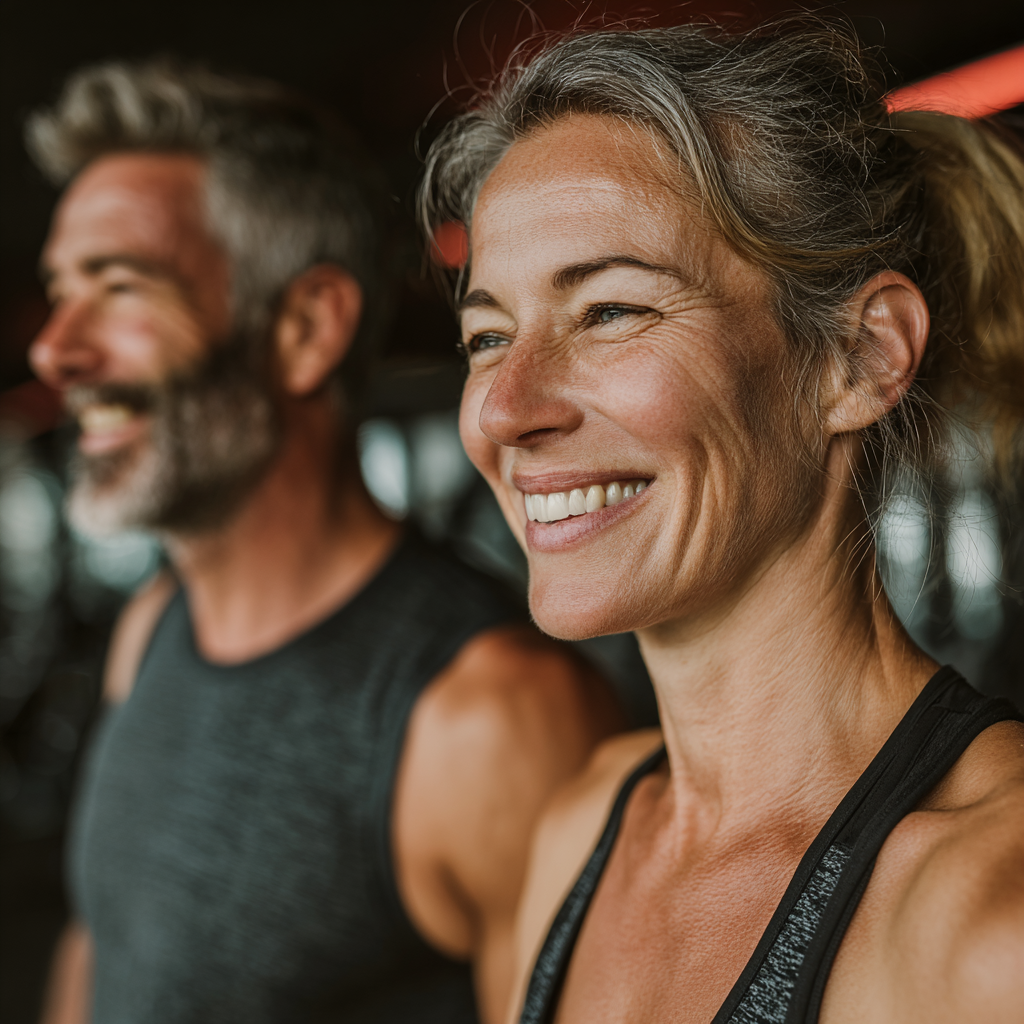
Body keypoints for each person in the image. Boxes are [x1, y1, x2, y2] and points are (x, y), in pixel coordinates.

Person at [419, 16, 1024, 1024]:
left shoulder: (988, 916)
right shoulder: (578, 834)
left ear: (860, 358)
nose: (506, 408)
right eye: (487, 335)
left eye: (610, 310)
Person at [28, 61, 623, 1024]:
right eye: (61, 291)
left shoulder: (493, 719)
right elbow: (97, 947)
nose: (56, 350)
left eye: (120, 287)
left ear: (305, 328)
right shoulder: (153, 631)